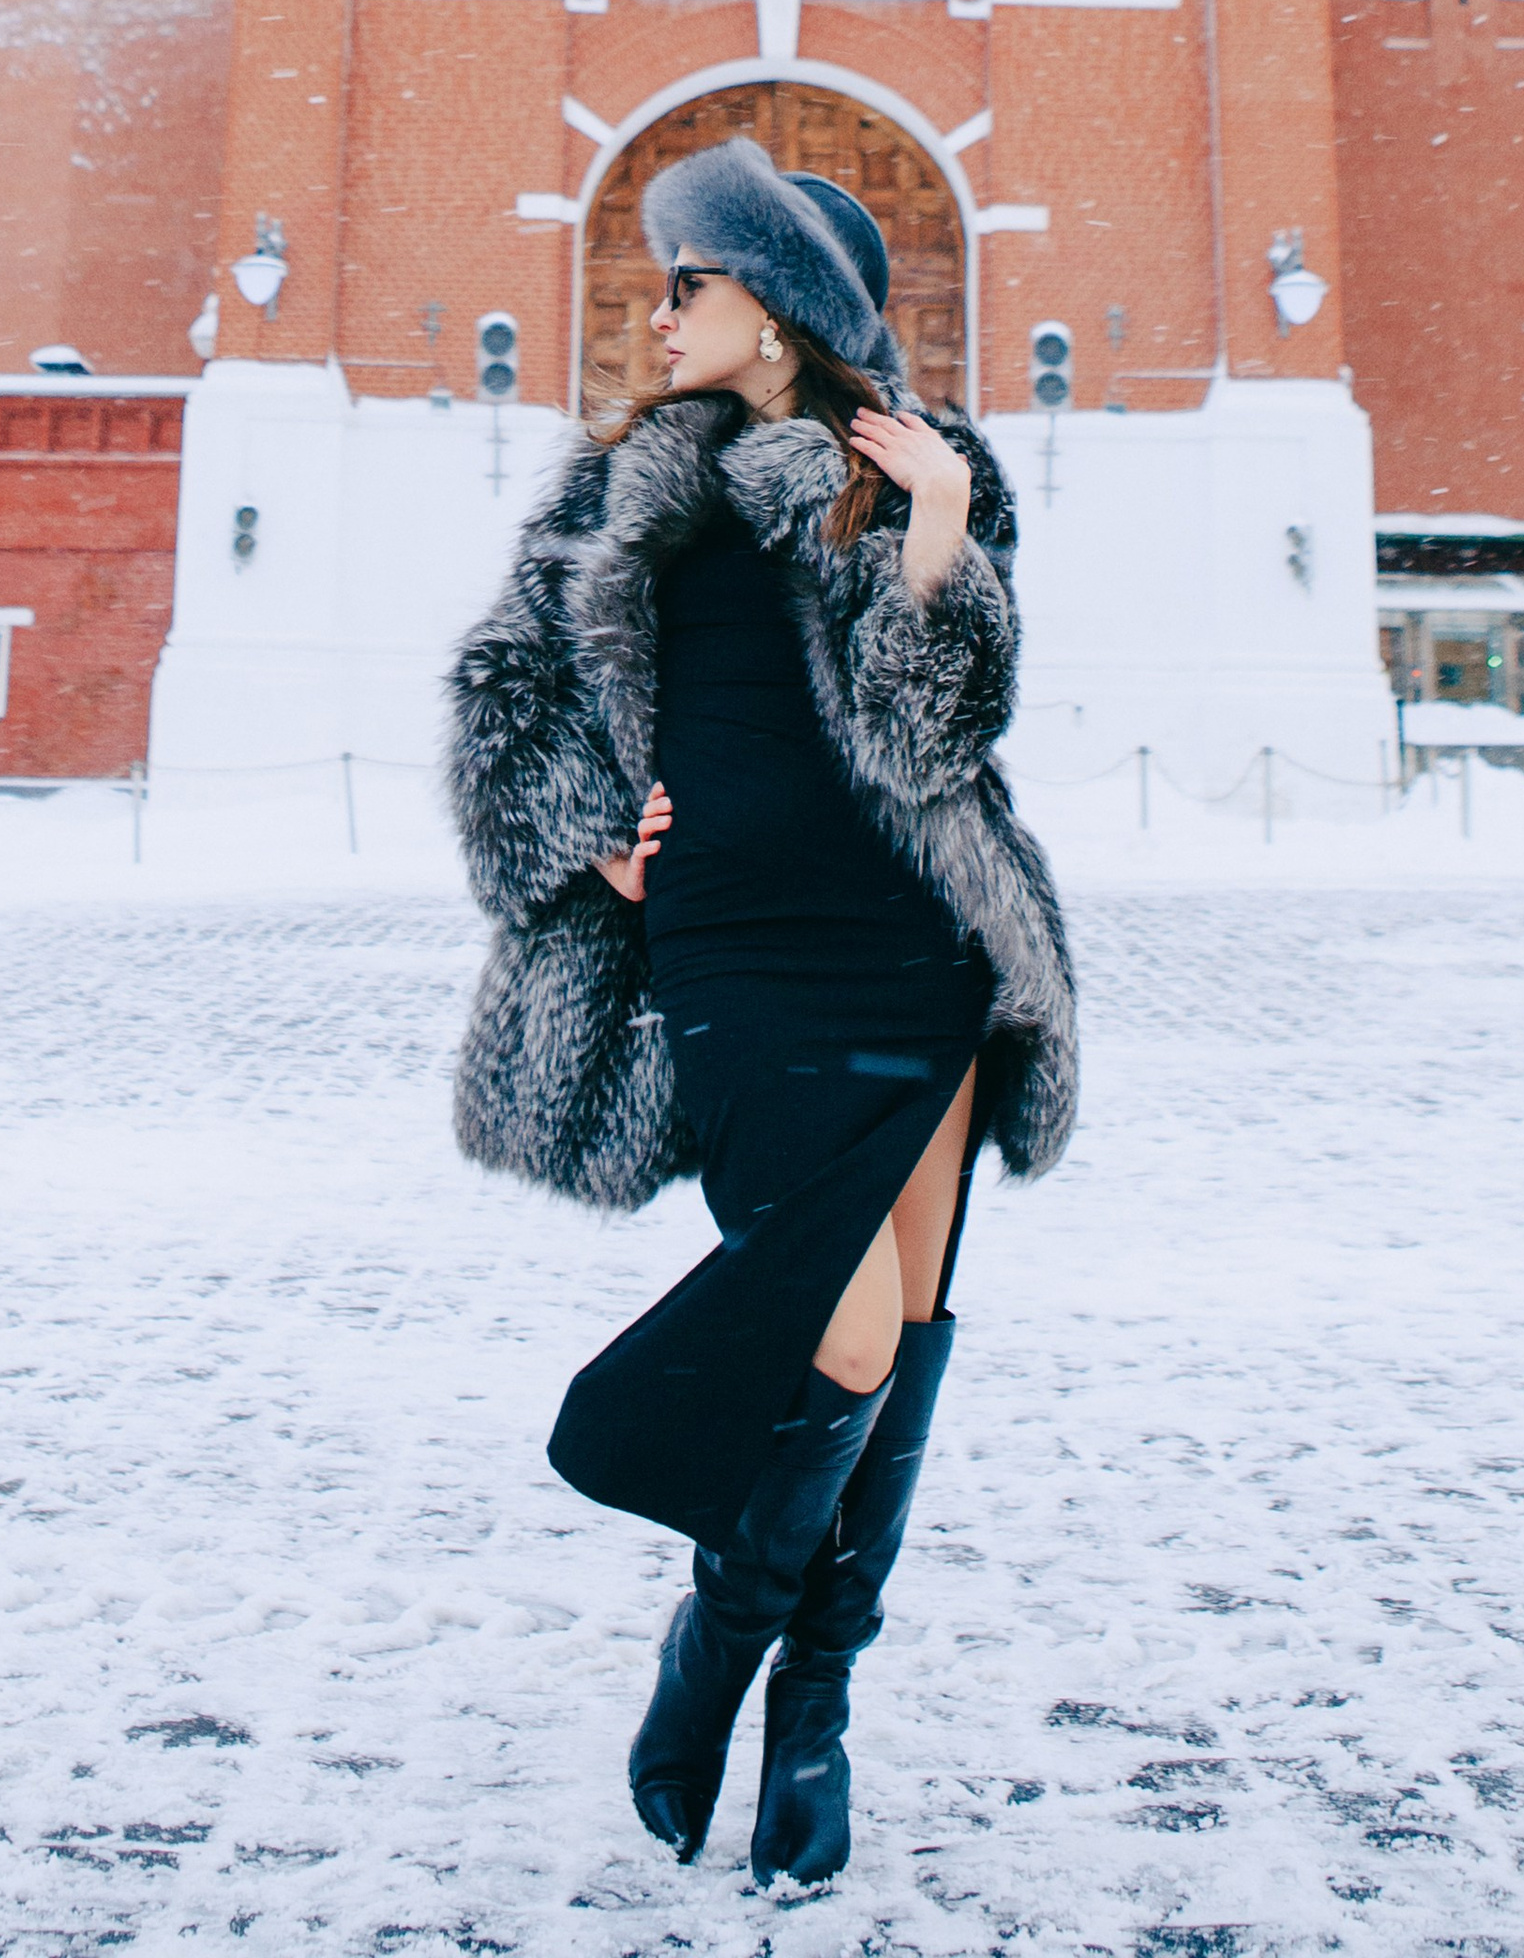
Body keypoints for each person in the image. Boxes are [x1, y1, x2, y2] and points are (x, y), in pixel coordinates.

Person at [444, 136, 1077, 1889]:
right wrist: (591, 849)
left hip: (917, 943)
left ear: (778, 313)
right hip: (733, 952)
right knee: (845, 1333)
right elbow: (507, 689)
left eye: (690, 285)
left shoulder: (916, 475)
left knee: (915, 1323)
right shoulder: (612, 493)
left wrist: (941, 544)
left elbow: (934, 740)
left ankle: (815, 1709)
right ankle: (716, 1647)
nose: (657, 315)